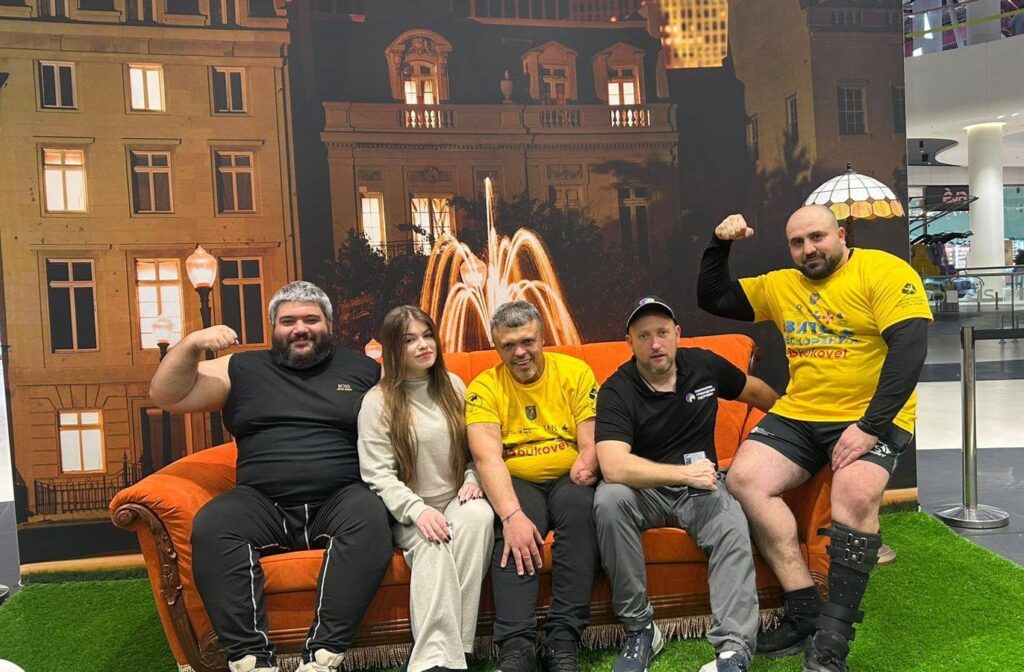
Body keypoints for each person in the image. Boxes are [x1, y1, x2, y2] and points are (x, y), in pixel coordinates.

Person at [697, 207, 932, 672]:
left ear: (840, 234)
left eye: (817, 237)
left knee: (855, 494)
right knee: (744, 479)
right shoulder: (782, 285)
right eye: (797, 242)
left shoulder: (884, 271)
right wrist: (719, 244)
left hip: (872, 414)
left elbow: (910, 349)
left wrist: (869, 426)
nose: (809, 249)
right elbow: (714, 297)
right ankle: (803, 608)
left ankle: (831, 641)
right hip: (801, 413)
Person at [149, 281, 393, 672]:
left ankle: (324, 655)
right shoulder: (240, 368)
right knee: (213, 524)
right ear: (273, 328)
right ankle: (250, 660)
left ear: (329, 324)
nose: (300, 329)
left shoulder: (364, 369)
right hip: (262, 502)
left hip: (341, 497)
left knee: (371, 516)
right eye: (288, 321)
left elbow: (410, 413)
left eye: (311, 319)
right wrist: (192, 344)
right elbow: (167, 395)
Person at [593, 296, 779, 672]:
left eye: (662, 333)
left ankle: (733, 650)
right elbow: (612, 466)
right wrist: (682, 474)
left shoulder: (703, 365)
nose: (655, 344)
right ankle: (641, 630)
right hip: (645, 490)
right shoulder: (617, 389)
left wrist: (797, 430)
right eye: (643, 336)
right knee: (608, 501)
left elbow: (757, 392)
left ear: (677, 334)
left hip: (700, 489)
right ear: (629, 343)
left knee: (732, 523)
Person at [465, 301, 601, 672]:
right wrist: (511, 516)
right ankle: (516, 647)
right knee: (512, 533)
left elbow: (590, 441)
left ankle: (563, 640)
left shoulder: (574, 372)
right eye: (508, 345)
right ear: (496, 347)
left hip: (569, 476)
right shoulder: (484, 386)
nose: (520, 352)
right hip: (518, 479)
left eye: (527, 341)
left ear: (542, 338)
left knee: (581, 511)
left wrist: (588, 464)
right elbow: (487, 458)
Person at [357, 306, 494, 672]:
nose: (423, 345)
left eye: (427, 335)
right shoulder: (377, 402)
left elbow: (478, 450)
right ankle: (437, 661)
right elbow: (378, 474)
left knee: (479, 518)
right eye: (409, 339)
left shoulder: (454, 386)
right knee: (435, 544)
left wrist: (474, 480)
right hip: (408, 510)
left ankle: (451, 652)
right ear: (392, 349)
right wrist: (417, 511)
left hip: (457, 497)